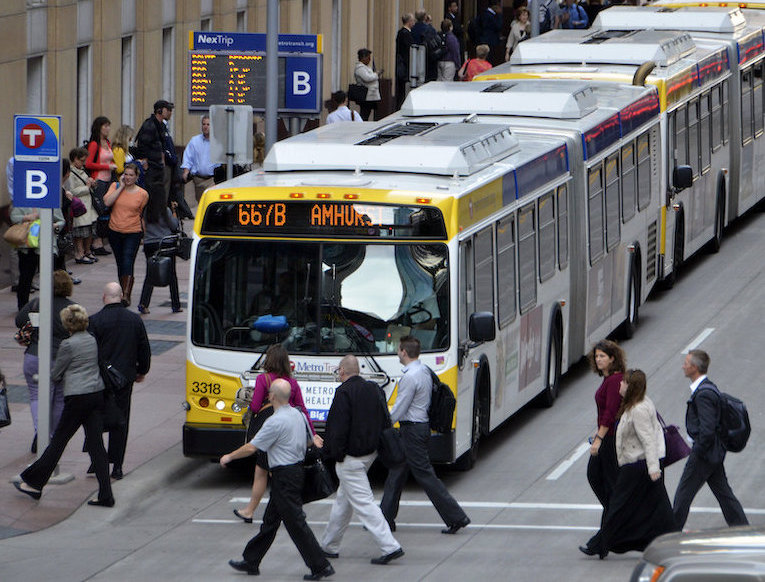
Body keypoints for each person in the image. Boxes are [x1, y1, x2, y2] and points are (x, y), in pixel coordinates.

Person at [223, 379, 335, 580]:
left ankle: (320, 566)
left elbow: (252, 447)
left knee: (296, 524)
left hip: (285, 477)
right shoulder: (298, 415)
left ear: (272, 396)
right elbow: (310, 440)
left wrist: (229, 456)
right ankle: (251, 560)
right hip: (294, 473)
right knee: (270, 521)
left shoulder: (274, 421)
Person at [14, 304, 114, 507]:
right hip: (95, 394)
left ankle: (34, 482)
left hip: (77, 398)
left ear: (67, 323)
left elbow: (57, 373)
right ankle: (106, 494)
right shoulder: (91, 339)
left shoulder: (68, 345)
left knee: (59, 441)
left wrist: (46, 376)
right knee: (96, 445)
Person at [580, 370, 677, 559]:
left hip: (638, 465)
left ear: (631, 387)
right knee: (658, 506)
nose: (620, 386)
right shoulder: (636, 404)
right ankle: (671, 541)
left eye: (624, 383)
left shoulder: (639, 409)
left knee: (618, 505)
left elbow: (648, 440)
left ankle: (599, 545)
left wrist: (653, 468)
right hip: (641, 464)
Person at [380, 336, 470, 535]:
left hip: (412, 430)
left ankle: (456, 517)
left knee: (425, 475)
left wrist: (383, 424)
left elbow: (400, 407)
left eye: (398, 349)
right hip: (417, 428)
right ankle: (384, 518)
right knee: (397, 472)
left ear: (403, 352)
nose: (397, 352)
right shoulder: (424, 371)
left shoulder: (410, 377)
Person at [321, 355, 404, 564]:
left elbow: (337, 428)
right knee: (344, 501)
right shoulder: (374, 389)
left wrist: (334, 454)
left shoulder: (343, 392)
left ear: (342, 371)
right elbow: (384, 418)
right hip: (370, 453)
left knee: (364, 503)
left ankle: (389, 546)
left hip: (350, 458)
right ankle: (329, 545)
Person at [233, 344, 320, 523]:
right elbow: (303, 409)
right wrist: (313, 433)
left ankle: (252, 511)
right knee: (273, 472)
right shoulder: (292, 383)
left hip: (269, 431)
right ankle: (285, 510)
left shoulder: (263, 380)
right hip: (287, 431)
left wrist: (249, 405)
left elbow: (256, 406)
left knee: (262, 471)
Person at [672, 350, 748, 529]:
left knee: (683, 496)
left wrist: (698, 452)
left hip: (704, 455)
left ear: (695, 368)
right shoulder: (708, 388)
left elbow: (707, 429)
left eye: (686, 363)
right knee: (725, 495)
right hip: (713, 453)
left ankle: (670, 536)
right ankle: (743, 529)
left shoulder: (704, 394)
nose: (683, 366)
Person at [88, 281, 151, 480]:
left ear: (103, 297)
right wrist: (142, 370)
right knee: (121, 420)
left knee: (95, 420)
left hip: (100, 378)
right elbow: (144, 348)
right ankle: (117, 466)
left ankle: (96, 461)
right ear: (122, 295)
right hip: (124, 378)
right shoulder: (134, 320)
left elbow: (91, 352)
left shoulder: (95, 321)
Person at [16, 270, 75, 453]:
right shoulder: (72, 308)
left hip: (34, 355)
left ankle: (40, 432)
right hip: (60, 359)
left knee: (36, 395)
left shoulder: (36, 303)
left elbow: (19, 320)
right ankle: (51, 436)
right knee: (58, 399)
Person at [580, 339, 626, 555]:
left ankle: (603, 537)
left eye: (602, 356)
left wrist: (599, 438)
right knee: (606, 487)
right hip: (606, 438)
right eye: (596, 356)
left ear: (613, 359)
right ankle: (607, 534)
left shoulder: (615, 380)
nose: (598, 359)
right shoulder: (608, 380)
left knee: (598, 478)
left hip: (610, 441)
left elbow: (610, 412)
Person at [103, 163, 149, 305]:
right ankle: (122, 291)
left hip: (133, 232)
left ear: (136, 177)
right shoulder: (115, 187)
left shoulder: (143, 194)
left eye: (131, 175)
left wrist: (144, 234)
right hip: (114, 230)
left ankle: (126, 295)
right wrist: (121, 187)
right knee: (120, 263)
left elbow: (141, 213)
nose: (128, 177)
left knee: (128, 261)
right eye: (126, 174)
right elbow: (107, 202)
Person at [10, 205, 65, 311]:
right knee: (25, 278)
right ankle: (22, 307)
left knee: (50, 278)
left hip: (47, 244)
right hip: (27, 246)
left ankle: (50, 305)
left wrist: (54, 225)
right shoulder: (23, 201)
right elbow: (14, 217)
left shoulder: (49, 201)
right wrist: (26, 218)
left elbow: (61, 221)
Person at [137, 194, 182, 315]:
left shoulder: (147, 210)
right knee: (172, 274)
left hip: (149, 244)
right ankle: (175, 304)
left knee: (150, 274)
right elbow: (174, 225)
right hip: (165, 243)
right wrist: (173, 211)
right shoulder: (165, 210)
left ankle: (144, 303)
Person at [133, 100, 174, 209]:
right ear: (160, 110)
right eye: (167, 109)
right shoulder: (149, 125)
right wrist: (145, 163)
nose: (169, 112)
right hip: (151, 167)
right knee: (150, 196)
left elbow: (161, 145)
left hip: (158, 166)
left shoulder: (161, 126)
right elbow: (142, 145)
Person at [85, 115, 116, 256]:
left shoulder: (107, 143)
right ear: (99, 127)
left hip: (108, 179)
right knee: (99, 210)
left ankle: (101, 240)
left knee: (105, 209)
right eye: (105, 126)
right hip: (98, 180)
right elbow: (88, 163)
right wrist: (106, 166)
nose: (108, 129)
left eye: (109, 126)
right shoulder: (94, 144)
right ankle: (96, 242)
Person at [66, 147, 99, 264]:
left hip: (88, 206)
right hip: (79, 207)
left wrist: (92, 183)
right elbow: (72, 190)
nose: (84, 163)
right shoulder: (71, 173)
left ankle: (87, 251)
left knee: (90, 230)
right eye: (82, 160)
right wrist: (87, 187)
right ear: (75, 159)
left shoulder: (83, 170)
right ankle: (79, 253)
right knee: (80, 232)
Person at [181, 115, 219, 203]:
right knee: (201, 202)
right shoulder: (194, 141)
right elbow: (188, 157)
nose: (205, 126)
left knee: (210, 201)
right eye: (204, 124)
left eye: (208, 124)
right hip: (198, 180)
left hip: (212, 180)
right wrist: (186, 172)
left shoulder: (217, 142)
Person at [353, 48, 383, 121]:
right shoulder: (360, 68)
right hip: (366, 95)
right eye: (368, 58)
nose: (369, 60)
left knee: (368, 111)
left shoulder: (365, 67)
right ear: (363, 58)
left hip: (371, 95)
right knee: (365, 113)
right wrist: (376, 74)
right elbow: (367, 78)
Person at [395, 13, 415, 110]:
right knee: (402, 90)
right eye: (413, 20)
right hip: (404, 65)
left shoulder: (401, 33)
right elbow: (408, 50)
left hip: (402, 63)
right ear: (409, 22)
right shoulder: (405, 34)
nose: (414, 22)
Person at [479, 0, 505, 66]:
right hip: (490, 41)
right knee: (490, 60)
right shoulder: (490, 16)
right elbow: (498, 26)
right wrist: (499, 15)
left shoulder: (484, 13)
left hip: (486, 39)